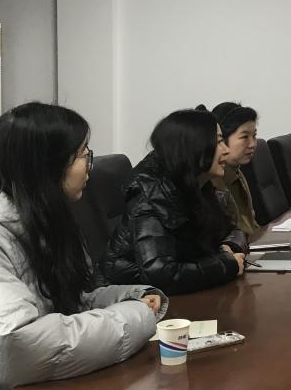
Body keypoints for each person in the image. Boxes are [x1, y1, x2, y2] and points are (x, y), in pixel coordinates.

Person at [0, 103, 166, 390]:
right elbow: (14, 345)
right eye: (82, 155)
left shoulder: (43, 219)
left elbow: (67, 306)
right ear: (46, 166)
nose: (89, 166)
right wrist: (135, 316)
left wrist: (131, 298)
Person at [103, 109, 246, 294]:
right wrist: (225, 265)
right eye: (218, 142)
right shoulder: (151, 196)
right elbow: (160, 274)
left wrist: (229, 246)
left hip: (173, 294)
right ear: (194, 148)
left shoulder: (200, 185)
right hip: (129, 297)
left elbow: (233, 229)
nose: (226, 150)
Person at [210, 102, 259, 238]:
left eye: (254, 136)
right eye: (244, 137)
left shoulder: (237, 172)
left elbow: (251, 226)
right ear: (222, 139)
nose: (252, 144)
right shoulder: (214, 181)